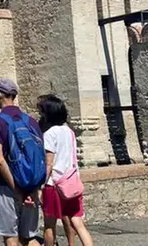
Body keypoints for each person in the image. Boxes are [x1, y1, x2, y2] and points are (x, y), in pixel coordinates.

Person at [0, 78, 43, 246]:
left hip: (6, 184)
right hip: (30, 183)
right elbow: (39, 157)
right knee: (29, 237)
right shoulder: (30, 120)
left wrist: (17, 189)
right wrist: (32, 189)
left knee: (10, 236)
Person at [37, 95, 93, 246]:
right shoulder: (69, 131)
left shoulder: (49, 134)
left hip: (53, 184)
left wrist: (40, 186)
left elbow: (49, 163)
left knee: (50, 224)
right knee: (77, 222)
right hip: (71, 182)